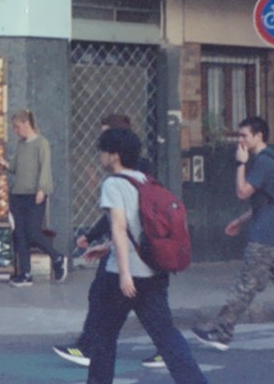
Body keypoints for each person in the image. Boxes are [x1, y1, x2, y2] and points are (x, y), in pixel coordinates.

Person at [82, 128, 206, 383]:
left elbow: (118, 226)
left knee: (103, 336)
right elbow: (140, 229)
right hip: (154, 272)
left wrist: (125, 274)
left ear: (114, 155)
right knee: (166, 335)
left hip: (122, 276)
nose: (101, 157)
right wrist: (106, 248)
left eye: (103, 152)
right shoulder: (144, 180)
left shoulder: (113, 184)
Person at [191, 116, 274, 356]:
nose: (240, 140)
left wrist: (240, 164)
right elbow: (267, 202)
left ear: (258, 136)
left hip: (264, 237)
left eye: (244, 135)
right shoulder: (273, 161)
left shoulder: (261, 163)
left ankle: (221, 333)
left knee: (245, 285)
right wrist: (241, 221)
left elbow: (243, 192)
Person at [54, 113, 164, 369]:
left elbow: (119, 220)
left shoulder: (122, 178)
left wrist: (119, 264)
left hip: (131, 253)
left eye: (104, 137)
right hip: (132, 250)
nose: (99, 144)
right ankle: (92, 347)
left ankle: (88, 347)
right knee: (145, 312)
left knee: (106, 299)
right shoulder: (137, 171)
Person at [0, 109, 66, 287]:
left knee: (33, 232)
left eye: (17, 127)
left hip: (34, 194)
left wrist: (42, 189)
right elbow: (16, 167)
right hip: (18, 194)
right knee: (20, 234)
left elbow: (45, 168)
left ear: (26, 124)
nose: (16, 131)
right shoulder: (21, 145)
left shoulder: (42, 143)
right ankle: (25, 273)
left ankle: (57, 257)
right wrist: (4, 164)